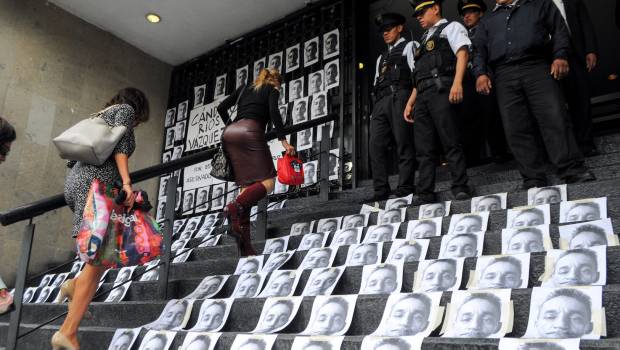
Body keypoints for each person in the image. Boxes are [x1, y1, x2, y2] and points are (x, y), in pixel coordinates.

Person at [54, 88, 149, 350]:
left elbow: (73, 160)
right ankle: (67, 331)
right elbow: (120, 149)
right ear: (138, 108)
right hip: (96, 185)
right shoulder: (126, 111)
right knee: (100, 257)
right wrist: (127, 183)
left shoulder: (99, 116)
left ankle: (74, 288)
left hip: (77, 185)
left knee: (99, 258)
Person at [473, 0, 596, 189]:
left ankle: (571, 169)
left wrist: (560, 55)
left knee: (554, 118)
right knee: (516, 128)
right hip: (503, 73)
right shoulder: (487, 21)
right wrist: (481, 73)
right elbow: (479, 49)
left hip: (536, 65)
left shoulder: (539, 5)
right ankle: (532, 177)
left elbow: (559, 29)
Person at [218, 68, 296, 256]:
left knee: (247, 191)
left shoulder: (245, 87)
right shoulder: (273, 88)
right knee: (268, 182)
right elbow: (273, 111)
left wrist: (231, 126)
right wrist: (284, 141)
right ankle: (233, 207)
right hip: (250, 131)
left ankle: (246, 248)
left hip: (230, 133)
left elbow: (221, 107)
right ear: (276, 81)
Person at [405, 0, 472, 205]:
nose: (419, 17)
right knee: (424, 148)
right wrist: (410, 102)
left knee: (449, 139)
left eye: (422, 12)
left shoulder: (450, 27)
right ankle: (425, 191)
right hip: (423, 95)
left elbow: (462, 53)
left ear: (435, 9)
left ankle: (460, 186)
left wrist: (457, 82)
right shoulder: (423, 41)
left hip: (441, 89)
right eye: (417, 15)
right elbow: (419, 76)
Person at [366, 13, 417, 202]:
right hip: (381, 102)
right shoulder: (381, 58)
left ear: (400, 28)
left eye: (389, 29)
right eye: (383, 31)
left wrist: (412, 101)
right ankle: (380, 189)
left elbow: (417, 76)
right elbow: (375, 84)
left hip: (400, 96)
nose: (385, 33)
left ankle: (405, 185)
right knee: (375, 145)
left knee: (403, 141)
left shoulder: (410, 46)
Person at [457, 0, 510, 165]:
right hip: (468, 83)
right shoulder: (461, 36)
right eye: (464, 13)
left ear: (480, 13)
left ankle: (499, 153)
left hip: (487, 77)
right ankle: (472, 159)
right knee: (469, 121)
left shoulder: (489, 29)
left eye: (471, 12)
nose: (467, 16)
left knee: (493, 116)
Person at [554, 0, 599, 156]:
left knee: (581, 100)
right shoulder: (533, 4)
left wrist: (591, 50)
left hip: (575, 55)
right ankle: (567, 148)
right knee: (555, 106)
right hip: (549, 60)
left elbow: (585, 23)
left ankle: (586, 143)